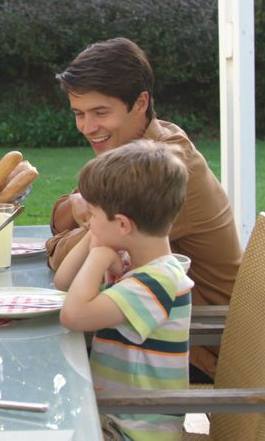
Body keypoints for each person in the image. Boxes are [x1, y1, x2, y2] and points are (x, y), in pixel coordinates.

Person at [46, 37, 242, 380]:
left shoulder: (162, 168)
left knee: (44, 354)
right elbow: (61, 215)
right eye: (79, 114)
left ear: (140, 103)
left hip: (193, 343)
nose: (87, 128)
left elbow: (66, 264)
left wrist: (74, 229)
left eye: (100, 113)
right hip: (146, 324)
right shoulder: (137, 152)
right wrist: (79, 214)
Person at [56, 140, 193, 441]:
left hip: (132, 431)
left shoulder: (156, 283)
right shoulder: (136, 262)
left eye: (92, 215)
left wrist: (98, 256)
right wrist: (96, 239)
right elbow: (63, 283)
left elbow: (73, 316)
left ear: (122, 224)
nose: (88, 222)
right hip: (109, 416)